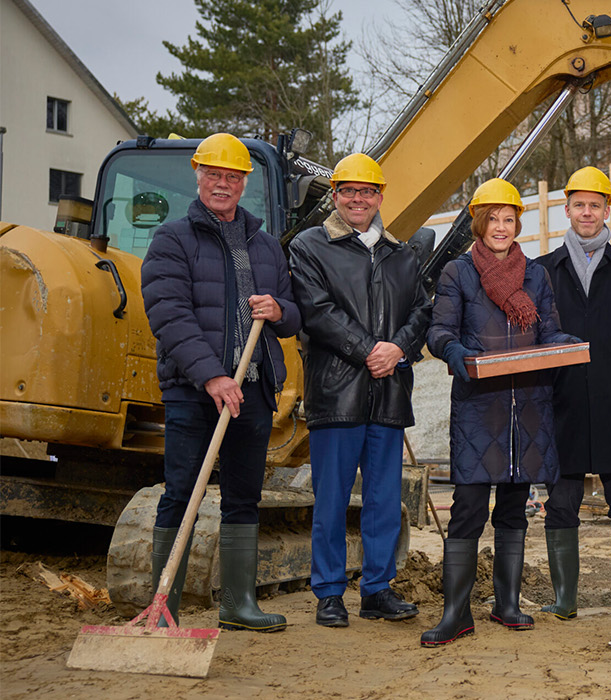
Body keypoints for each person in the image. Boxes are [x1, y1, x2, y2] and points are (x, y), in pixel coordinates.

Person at [140, 132, 302, 632]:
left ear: (244, 184)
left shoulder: (265, 245)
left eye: (232, 177)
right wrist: (211, 375)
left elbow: (294, 314)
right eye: (214, 175)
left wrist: (278, 310)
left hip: (252, 390)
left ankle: (238, 604)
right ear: (198, 175)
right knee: (182, 491)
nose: (222, 185)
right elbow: (168, 313)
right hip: (194, 393)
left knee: (243, 496)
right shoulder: (173, 239)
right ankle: (163, 609)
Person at [421, 178, 579, 646]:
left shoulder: (536, 275)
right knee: (468, 508)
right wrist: (456, 354)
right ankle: (456, 613)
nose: (502, 228)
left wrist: (567, 345)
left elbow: (548, 332)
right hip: (479, 408)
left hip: (528, 408)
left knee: (514, 507)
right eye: (493, 219)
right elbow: (439, 331)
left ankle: (506, 604)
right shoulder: (458, 273)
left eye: (509, 220)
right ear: (479, 222)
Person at [288, 153, 432, 628]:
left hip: (387, 394)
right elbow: (317, 310)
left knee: (384, 501)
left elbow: (420, 313)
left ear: (380, 197)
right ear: (335, 196)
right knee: (330, 499)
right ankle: (329, 592)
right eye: (348, 190)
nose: (357, 199)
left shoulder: (401, 255)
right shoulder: (310, 246)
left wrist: (398, 350)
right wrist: (370, 350)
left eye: (366, 191)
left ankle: (376, 589)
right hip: (337, 393)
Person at [538, 167, 611, 619]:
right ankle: (565, 599)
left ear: (608, 211)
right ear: (566, 210)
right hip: (560, 404)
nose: (587, 212)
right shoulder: (542, 271)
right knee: (562, 502)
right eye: (579, 205)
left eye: (595, 205)